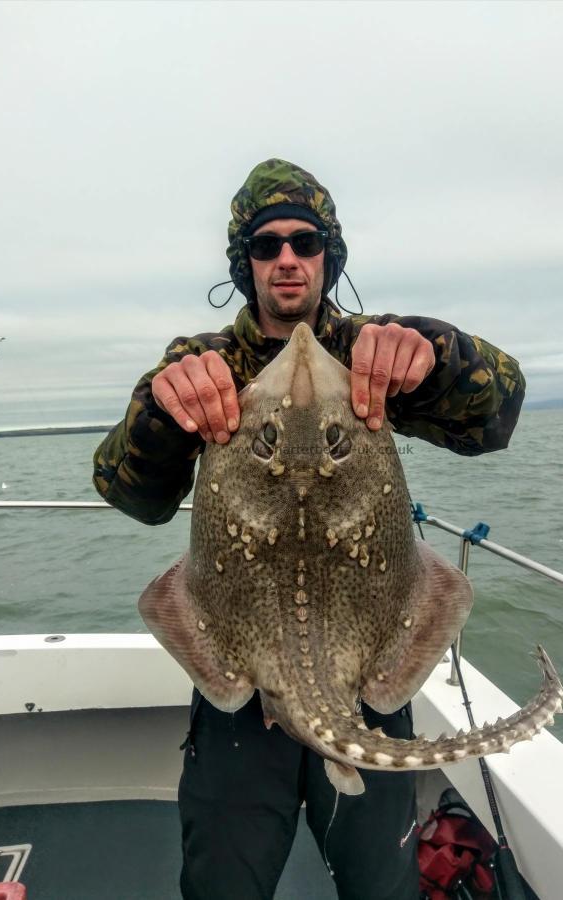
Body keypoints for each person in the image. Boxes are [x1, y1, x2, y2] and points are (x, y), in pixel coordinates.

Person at [93, 158, 525, 900]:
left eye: (306, 240)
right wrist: (163, 413)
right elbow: (129, 492)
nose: (287, 258)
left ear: (329, 255)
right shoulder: (202, 364)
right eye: (266, 245)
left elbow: (496, 416)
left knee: (381, 884)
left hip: (366, 676)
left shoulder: (373, 353)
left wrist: (437, 357)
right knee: (221, 880)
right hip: (245, 660)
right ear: (244, 262)